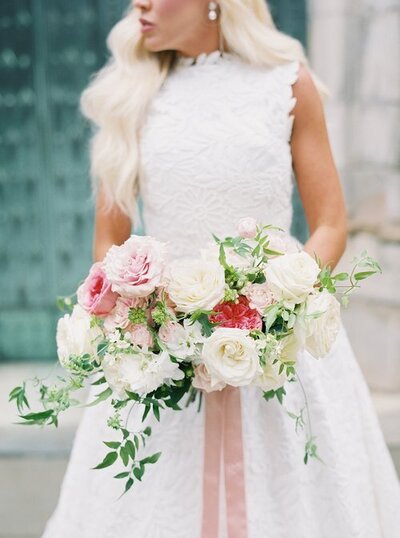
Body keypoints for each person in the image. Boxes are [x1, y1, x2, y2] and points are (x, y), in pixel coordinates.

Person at [42, 1, 400, 537]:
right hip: (163, 353)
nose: (137, 2)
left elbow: (330, 224)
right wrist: (149, 320)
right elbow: (109, 241)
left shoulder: (287, 86)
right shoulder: (130, 95)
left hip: (282, 348)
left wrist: (278, 304)